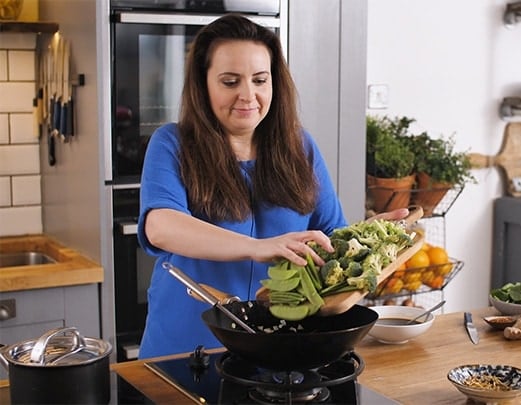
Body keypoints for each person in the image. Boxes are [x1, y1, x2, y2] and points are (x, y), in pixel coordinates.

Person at [137, 14, 408, 359]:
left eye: (260, 80)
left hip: (281, 349)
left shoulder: (300, 146)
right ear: (203, 84)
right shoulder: (172, 143)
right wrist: (257, 246)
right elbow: (160, 226)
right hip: (186, 350)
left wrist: (368, 240)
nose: (248, 95)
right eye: (230, 81)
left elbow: (330, 238)